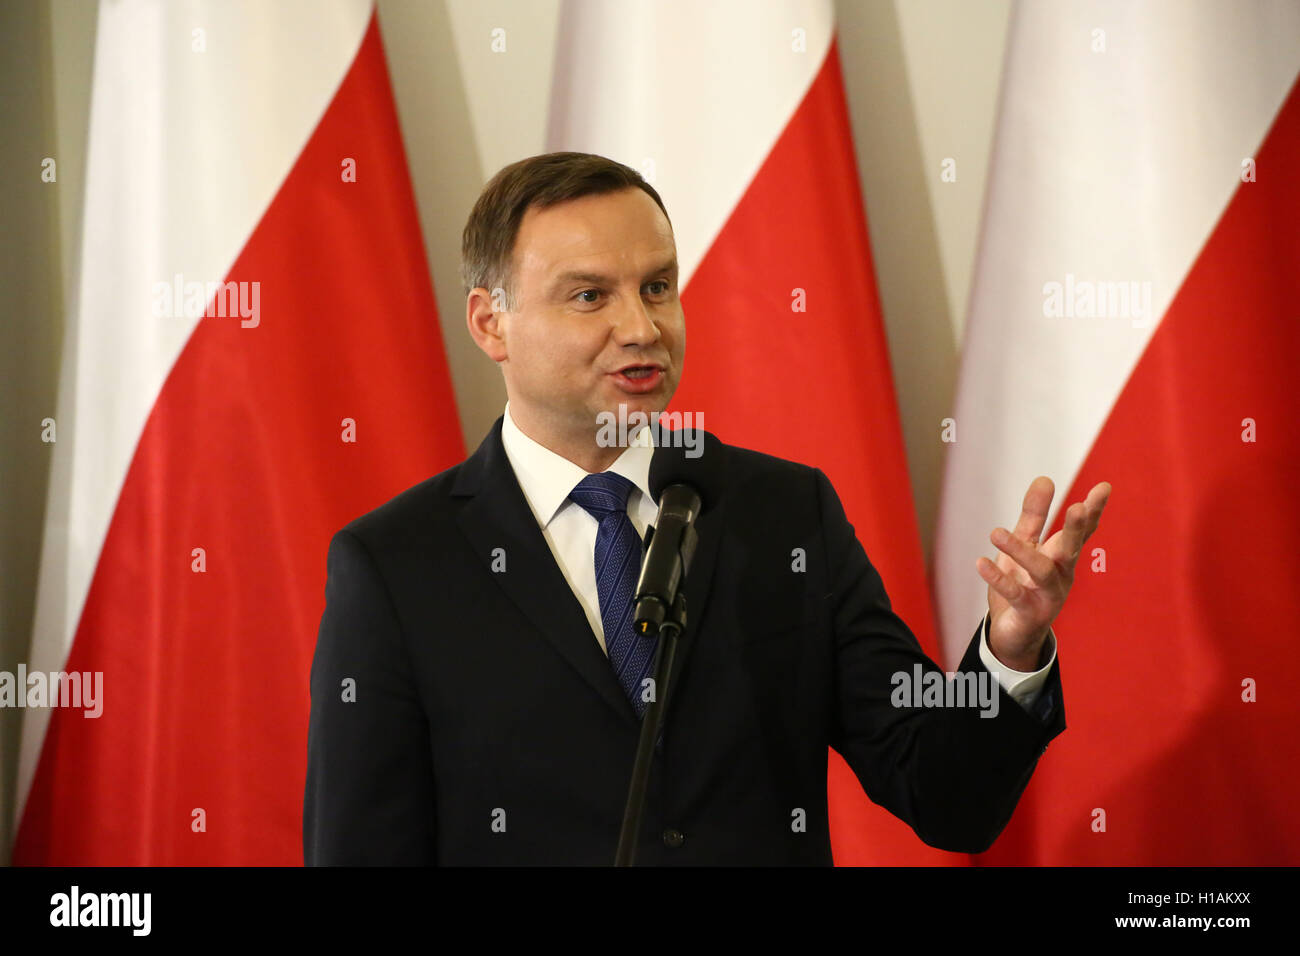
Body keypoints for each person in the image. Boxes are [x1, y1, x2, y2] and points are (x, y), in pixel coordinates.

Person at [302, 151, 1110, 865]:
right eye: (590, 296)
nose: (642, 326)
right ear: (492, 323)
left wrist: (1010, 648)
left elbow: (944, 795)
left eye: (657, 286)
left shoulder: (785, 514)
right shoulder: (398, 564)